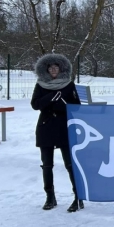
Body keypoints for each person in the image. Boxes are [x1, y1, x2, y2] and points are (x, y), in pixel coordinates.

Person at [31, 53, 82, 212]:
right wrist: (50, 98)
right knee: (47, 165)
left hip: (64, 127)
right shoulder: (41, 85)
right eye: (50, 67)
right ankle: (50, 197)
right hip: (45, 127)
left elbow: (77, 106)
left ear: (61, 69)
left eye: (56, 67)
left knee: (70, 164)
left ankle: (78, 197)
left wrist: (61, 104)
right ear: (46, 70)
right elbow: (35, 104)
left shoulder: (69, 84)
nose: (53, 70)